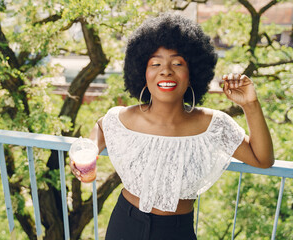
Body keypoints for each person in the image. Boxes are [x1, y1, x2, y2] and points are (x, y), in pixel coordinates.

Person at [70, 13, 274, 240]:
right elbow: (102, 126)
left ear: (192, 74)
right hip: (125, 224)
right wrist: (90, 151)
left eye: (177, 63)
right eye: (155, 63)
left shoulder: (213, 126)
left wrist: (251, 105)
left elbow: (262, 159)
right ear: (143, 73)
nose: (165, 70)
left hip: (176, 231)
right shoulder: (122, 118)